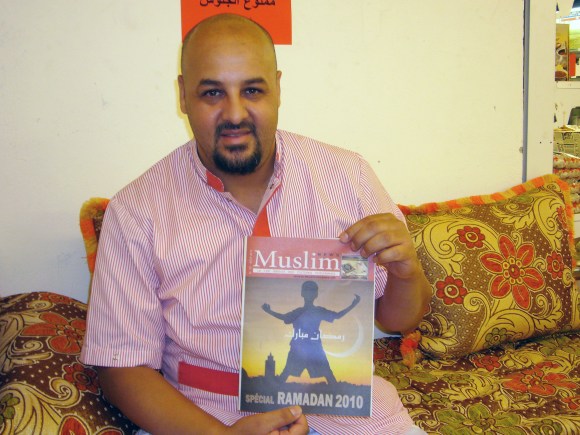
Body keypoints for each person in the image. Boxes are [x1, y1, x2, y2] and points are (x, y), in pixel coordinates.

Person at [81, 13, 431, 435]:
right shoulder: (137, 211)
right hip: (207, 417)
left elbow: (397, 320)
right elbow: (120, 367)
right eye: (212, 92)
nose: (234, 113)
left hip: (348, 414)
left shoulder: (348, 176)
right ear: (183, 96)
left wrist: (406, 272)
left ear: (278, 88)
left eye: (252, 90)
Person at [262, 280, 360, 385]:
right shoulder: (299, 312)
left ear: (315, 294)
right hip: (300, 348)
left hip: (313, 348)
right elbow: (285, 317)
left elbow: (337, 316)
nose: (309, 293)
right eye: (307, 290)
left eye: (311, 291)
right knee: (286, 373)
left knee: (328, 374)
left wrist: (353, 305)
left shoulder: (318, 311)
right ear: (303, 293)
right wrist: (269, 311)